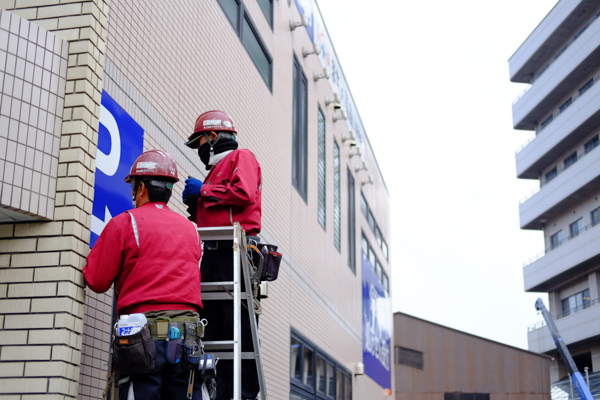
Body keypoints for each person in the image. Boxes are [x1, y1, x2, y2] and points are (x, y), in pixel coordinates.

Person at [83, 149, 205, 400]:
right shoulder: (191, 231)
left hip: (143, 341)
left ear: (141, 189)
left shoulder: (125, 223)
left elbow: (95, 280)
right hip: (188, 340)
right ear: (169, 190)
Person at [183, 110, 262, 400]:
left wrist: (203, 191)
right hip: (216, 251)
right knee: (211, 326)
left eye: (200, 141)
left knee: (235, 324)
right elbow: (217, 210)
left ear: (213, 136)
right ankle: (219, 390)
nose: (200, 149)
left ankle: (242, 393)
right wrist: (197, 205)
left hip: (236, 250)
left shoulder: (242, 157)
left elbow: (244, 193)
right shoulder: (216, 170)